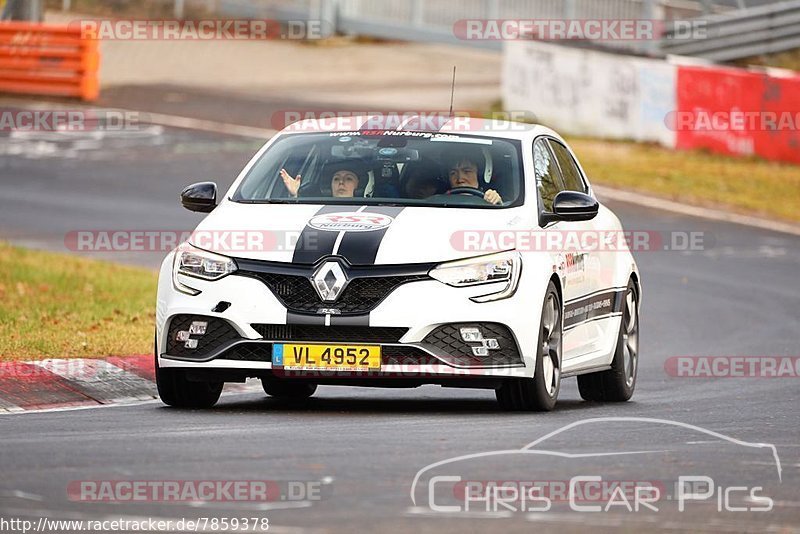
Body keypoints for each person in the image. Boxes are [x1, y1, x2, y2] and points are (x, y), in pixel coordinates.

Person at [280, 164, 361, 198]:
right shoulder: (314, 206)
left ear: (358, 184)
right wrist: (294, 195)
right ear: (331, 184)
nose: (341, 182)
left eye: (348, 178)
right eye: (336, 179)